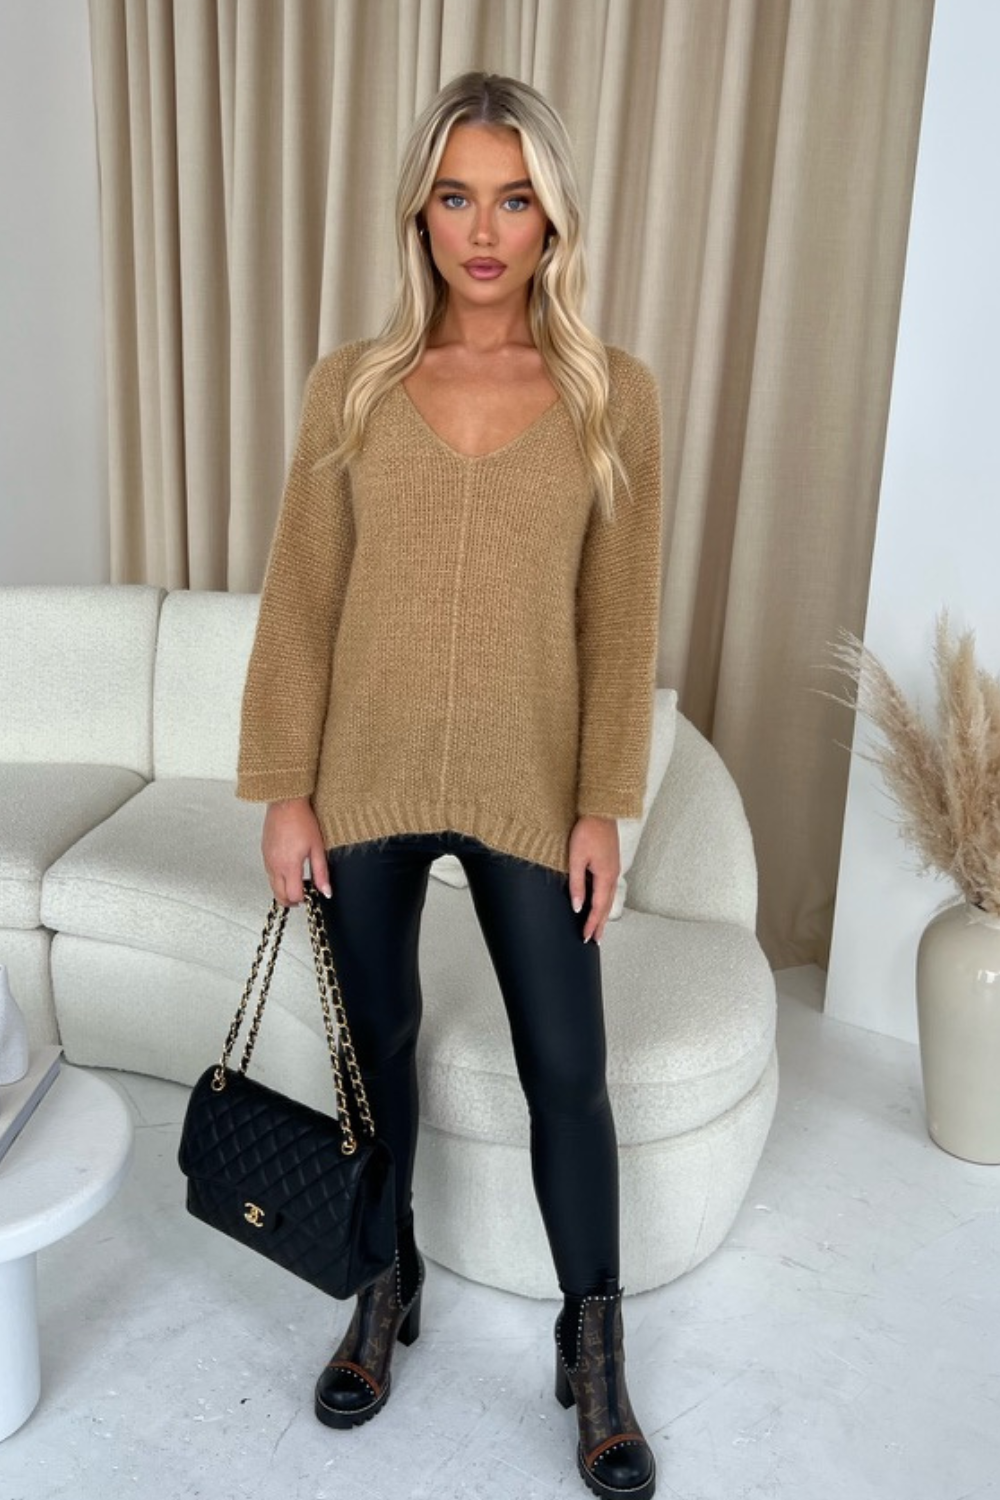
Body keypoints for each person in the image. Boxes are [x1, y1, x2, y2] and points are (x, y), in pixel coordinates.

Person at [236, 70, 662, 1500]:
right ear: (420, 212)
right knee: (379, 1052)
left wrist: (602, 802)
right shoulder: (352, 386)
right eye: (459, 196)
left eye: (516, 198)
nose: (486, 231)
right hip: (358, 777)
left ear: (554, 219)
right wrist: (283, 788)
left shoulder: (612, 395)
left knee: (568, 1073)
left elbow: (619, 622)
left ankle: (593, 1353)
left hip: (530, 787)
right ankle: (385, 1284)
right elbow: (303, 602)